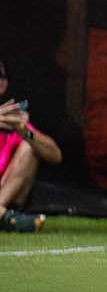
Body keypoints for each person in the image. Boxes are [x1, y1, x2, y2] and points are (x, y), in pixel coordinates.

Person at [0, 58, 63, 232]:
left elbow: (56, 156)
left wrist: (25, 132)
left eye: (2, 76)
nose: (0, 81)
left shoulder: (13, 119)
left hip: (5, 195)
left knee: (31, 146)